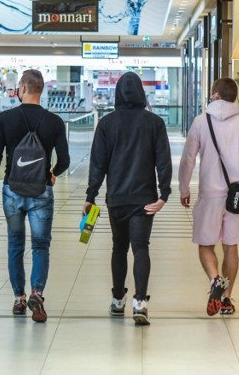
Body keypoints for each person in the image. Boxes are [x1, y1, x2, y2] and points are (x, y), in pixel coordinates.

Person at [84, 71, 172, 326]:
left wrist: (91, 195)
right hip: (144, 198)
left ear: (117, 93)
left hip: (117, 198)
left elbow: (97, 163)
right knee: (141, 247)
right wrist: (164, 193)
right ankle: (140, 302)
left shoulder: (107, 124)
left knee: (119, 247)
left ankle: (117, 299)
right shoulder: (154, 123)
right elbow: (163, 161)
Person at [0, 68, 70, 322]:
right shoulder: (54, 122)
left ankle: (19, 299)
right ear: (41, 90)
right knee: (41, 245)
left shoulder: (5, 118)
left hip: (12, 189)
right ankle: (37, 293)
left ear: (22, 88)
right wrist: (52, 172)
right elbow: (64, 160)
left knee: (15, 244)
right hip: (41, 190)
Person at [178, 78, 239, 316]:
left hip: (210, 195)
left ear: (214, 95)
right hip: (238, 195)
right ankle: (226, 299)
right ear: (234, 97)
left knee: (206, 244)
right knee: (231, 247)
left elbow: (188, 160)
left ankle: (215, 279)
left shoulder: (201, 122)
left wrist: (184, 189)